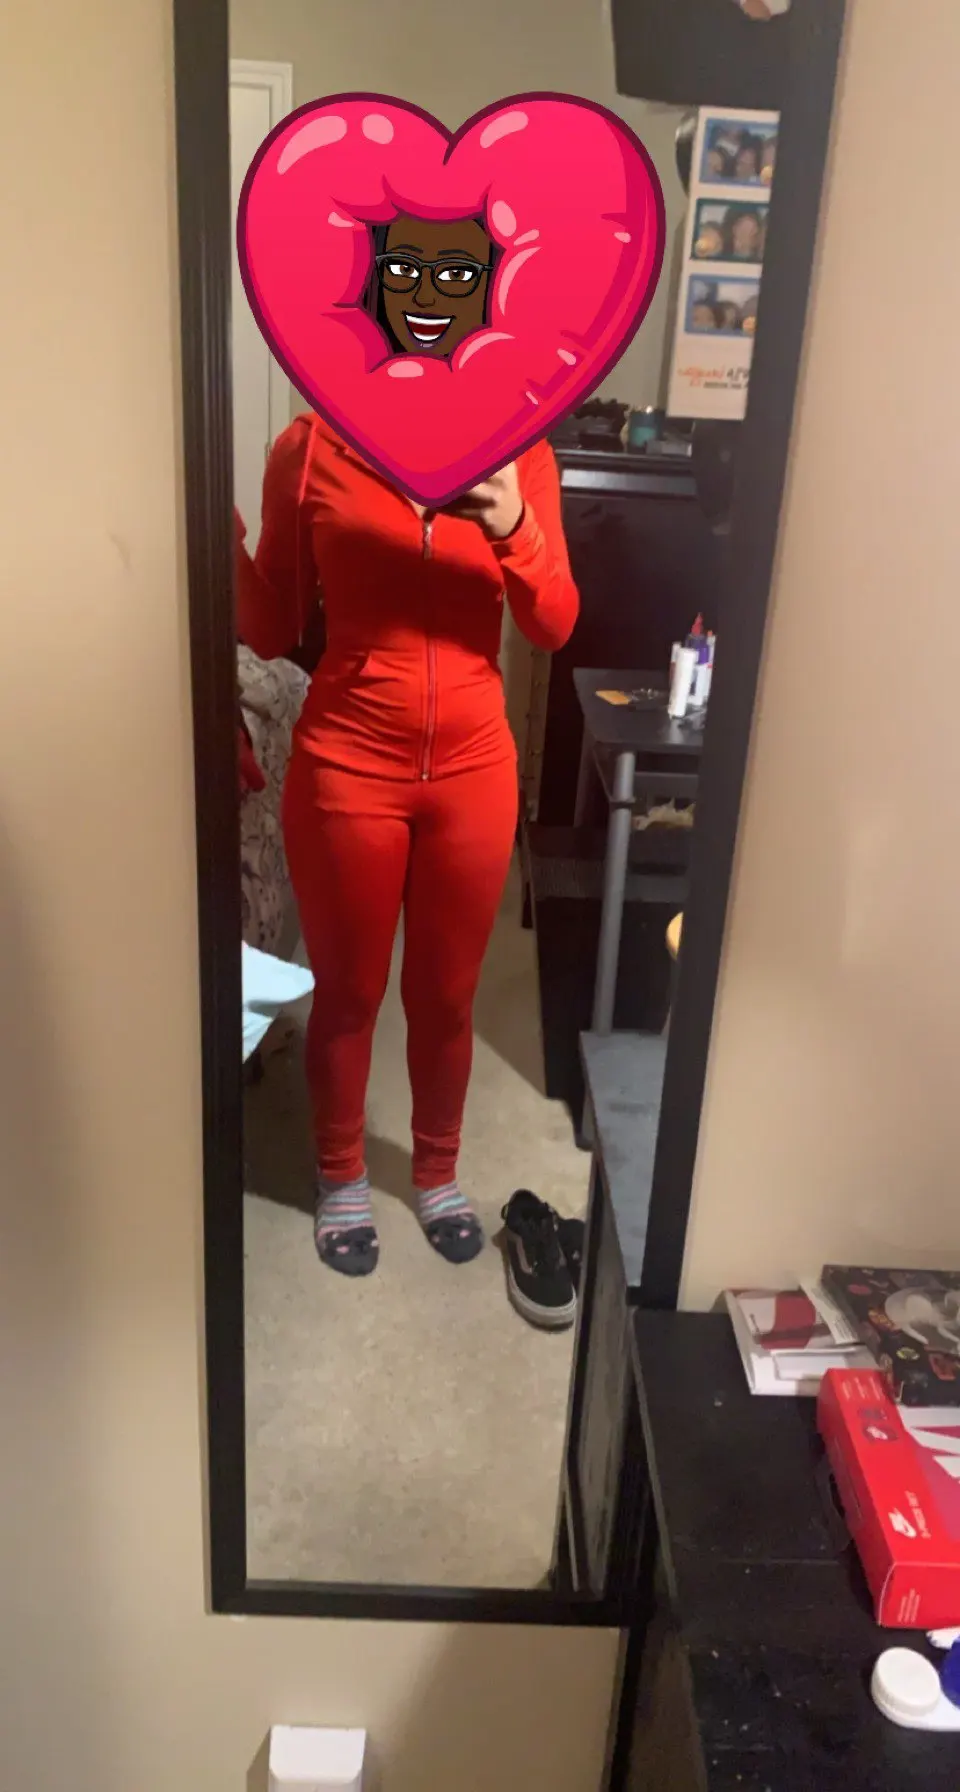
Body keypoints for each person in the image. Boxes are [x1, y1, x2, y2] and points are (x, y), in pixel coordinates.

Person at [235, 212, 580, 1278]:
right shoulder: (310, 445)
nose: (430, 295)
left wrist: (514, 524)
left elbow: (554, 623)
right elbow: (270, 624)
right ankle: (342, 1173)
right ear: (374, 291)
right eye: (408, 272)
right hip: (348, 764)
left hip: (474, 769)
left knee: (447, 997)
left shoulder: (523, 448)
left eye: (457, 276)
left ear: (485, 300)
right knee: (348, 993)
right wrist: (218, 537)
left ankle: (435, 1172)